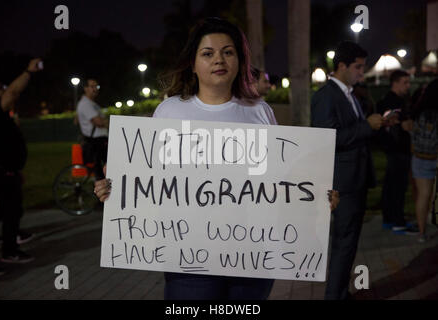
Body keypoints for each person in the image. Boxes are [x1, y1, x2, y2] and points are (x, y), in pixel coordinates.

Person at [94, 17, 340, 300]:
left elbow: (278, 180)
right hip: (188, 256)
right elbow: (150, 180)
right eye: (208, 53)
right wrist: (115, 189)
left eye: (228, 51)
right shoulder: (170, 112)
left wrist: (314, 200)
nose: (219, 60)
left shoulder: (259, 111)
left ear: (240, 60)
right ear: (193, 63)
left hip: (252, 256)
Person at [311, 41, 383, 300]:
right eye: (358, 67)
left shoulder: (350, 94)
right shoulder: (325, 96)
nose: (362, 72)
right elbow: (327, 138)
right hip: (342, 181)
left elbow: (351, 133)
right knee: (343, 242)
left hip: (357, 178)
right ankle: (335, 295)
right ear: (341, 66)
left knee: (349, 242)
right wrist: (367, 127)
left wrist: (376, 125)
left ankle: (340, 292)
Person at [0, 58, 43, 264]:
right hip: (0, 171)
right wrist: (29, 72)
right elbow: (13, 92)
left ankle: (7, 246)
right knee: (11, 210)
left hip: (5, 170)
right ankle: (9, 250)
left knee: (6, 209)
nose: (3, 90)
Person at [376, 70, 418, 235]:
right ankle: (397, 222)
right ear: (395, 82)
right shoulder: (391, 101)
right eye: (405, 82)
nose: (408, 86)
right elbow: (389, 126)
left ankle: (390, 219)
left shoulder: (396, 100)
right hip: (397, 149)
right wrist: (402, 126)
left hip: (395, 149)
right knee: (397, 186)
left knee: (391, 185)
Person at [410, 78, 438, 243]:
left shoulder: (418, 110)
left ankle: (421, 233)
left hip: (420, 158)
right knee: (434, 195)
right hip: (436, 157)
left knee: (423, 195)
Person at [76, 78, 108, 180]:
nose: (95, 89)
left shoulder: (91, 103)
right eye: (92, 86)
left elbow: (75, 120)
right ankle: (103, 194)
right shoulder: (86, 104)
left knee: (104, 170)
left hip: (99, 141)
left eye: (96, 86)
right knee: (103, 172)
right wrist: (114, 122)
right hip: (97, 142)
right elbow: (99, 122)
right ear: (85, 88)